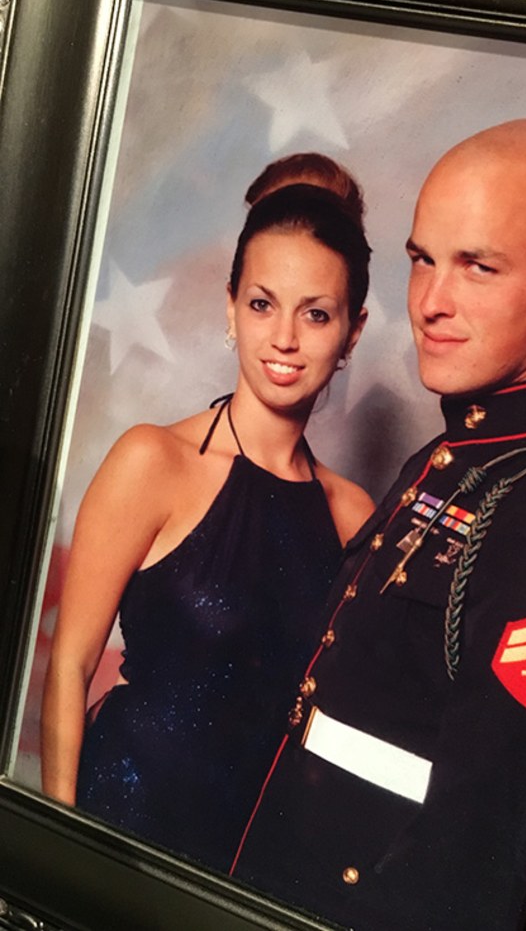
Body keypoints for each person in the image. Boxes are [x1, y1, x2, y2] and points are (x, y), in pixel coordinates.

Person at [229, 120, 526, 930]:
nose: (432, 303)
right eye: (422, 259)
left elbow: (475, 850)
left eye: (478, 266)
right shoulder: (453, 455)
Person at [41, 156, 375, 873]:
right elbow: (68, 666)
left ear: (352, 331)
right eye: (262, 303)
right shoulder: (153, 460)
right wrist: (58, 866)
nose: (284, 337)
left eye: (315, 313)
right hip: (118, 832)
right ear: (230, 307)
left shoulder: (354, 515)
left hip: (252, 864)